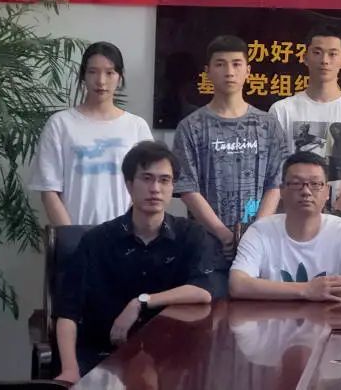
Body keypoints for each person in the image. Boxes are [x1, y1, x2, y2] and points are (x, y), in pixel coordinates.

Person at [53, 142, 221, 384]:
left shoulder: (190, 235)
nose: (155, 189)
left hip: (170, 361)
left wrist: (141, 302)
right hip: (104, 357)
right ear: (129, 184)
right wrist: (70, 369)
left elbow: (203, 291)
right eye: (147, 178)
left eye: (164, 180)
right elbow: (67, 312)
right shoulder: (97, 241)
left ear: (172, 187)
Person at [174, 35, 285, 257]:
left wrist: (256, 232)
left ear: (248, 70)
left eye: (236, 64)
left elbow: (277, 181)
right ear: (207, 71)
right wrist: (222, 233)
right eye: (220, 64)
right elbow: (187, 187)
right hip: (206, 242)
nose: (229, 72)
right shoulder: (191, 126)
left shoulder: (268, 124)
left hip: (260, 242)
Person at [30, 42, 154, 226]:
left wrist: (126, 230)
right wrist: (72, 235)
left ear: (120, 77)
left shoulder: (137, 127)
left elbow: (148, 185)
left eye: (110, 73)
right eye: (93, 72)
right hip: (74, 233)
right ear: (83, 76)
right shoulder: (60, 124)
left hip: (125, 234)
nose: (101, 81)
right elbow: (49, 190)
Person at [268, 23, 341, 214]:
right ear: (305, 57)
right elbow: (274, 172)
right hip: (291, 219)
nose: (324, 60)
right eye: (317, 52)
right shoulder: (282, 111)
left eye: (332, 54)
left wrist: (334, 211)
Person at [229, 151, 341, 301]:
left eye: (315, 184)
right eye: (296, 183)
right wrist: (306, 290)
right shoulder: (259, 231)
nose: (306, 191)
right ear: (282, 190)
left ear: (327, 191)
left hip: (329, 315)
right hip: (271, 315)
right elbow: (237, 284)